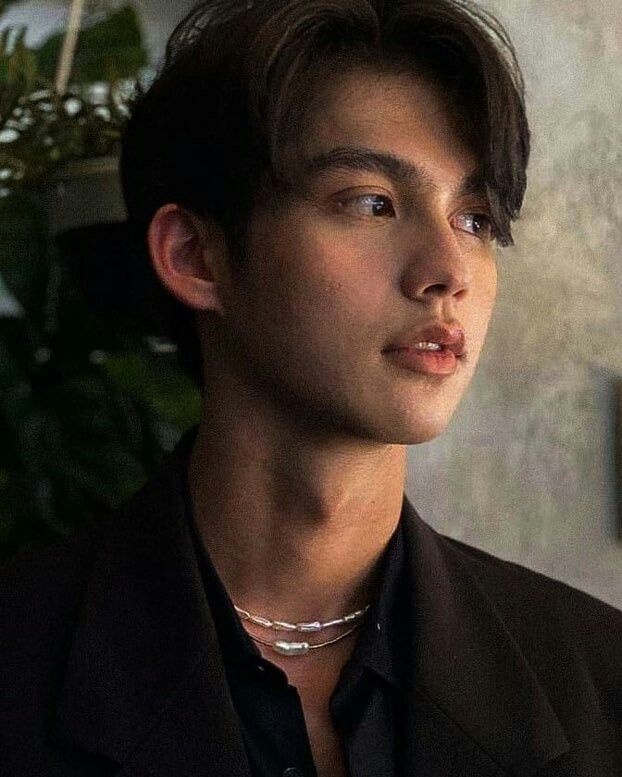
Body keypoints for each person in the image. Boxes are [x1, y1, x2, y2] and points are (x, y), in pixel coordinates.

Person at [1, 0, 620, 775]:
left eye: (475, 218)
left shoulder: (597, 680)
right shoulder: (20, 662)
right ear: (195, 256)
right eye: (371, 202)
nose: (448, 272)